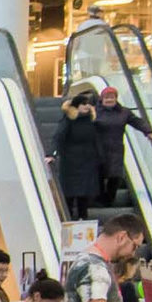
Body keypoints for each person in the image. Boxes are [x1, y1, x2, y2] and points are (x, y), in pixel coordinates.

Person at [96, 85, 152, 210]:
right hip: (98, 148)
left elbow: (138, 122)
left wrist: (148, 131)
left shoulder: (124, 112)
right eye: (107, 98)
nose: (109, 100)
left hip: (116, 148)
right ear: (102, 99)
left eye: (112, 98)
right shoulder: (94, 111)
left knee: (115, 175)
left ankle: (109, 200)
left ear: (116, 98)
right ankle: (100, 199)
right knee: (99, 175)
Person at [57, 87, 109, 220]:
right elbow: (59, 137)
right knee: (70, 194)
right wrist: (52, 154)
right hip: (71, 162)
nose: (87, 106)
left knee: (84, 194)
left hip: (88, 161)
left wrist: (100, 157)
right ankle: (68, 218)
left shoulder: (90, 121)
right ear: (77, 106)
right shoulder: (68, 120)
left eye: (88, 104)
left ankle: (82, 218)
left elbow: (96, 140)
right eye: (84, 104)